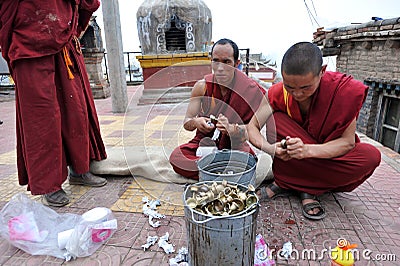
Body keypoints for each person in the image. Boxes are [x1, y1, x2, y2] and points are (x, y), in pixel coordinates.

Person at [247, 42, 381, 220]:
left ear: (322, 71)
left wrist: (307, 150)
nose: (297, 94)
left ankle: (294, 185)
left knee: (371, 156)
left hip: (325, 154)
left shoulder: (341, 92)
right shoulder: (278, 92)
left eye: (305, 87)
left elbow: (347, 142)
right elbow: (252, 127)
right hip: (293, 160)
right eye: (290, 87)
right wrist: (271, 149)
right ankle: (299, 186)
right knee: (277, 120)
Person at [0, 0, 108, 207]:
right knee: (42, 121)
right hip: (28, 46)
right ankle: (49, 185)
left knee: (76, 112)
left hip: (64, 45)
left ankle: (80, 168)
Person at [169, 38, 266, 180]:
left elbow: (254, 130)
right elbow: (187, 123)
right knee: (177, 157)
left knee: (247, 160)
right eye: (216, 61)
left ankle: (210, 171)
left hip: (234, 144)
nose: (220, 68)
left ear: (236, 64)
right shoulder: (202, 86)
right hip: (205, 144)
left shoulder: (249, 89)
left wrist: (233, 128)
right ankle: (225, 172)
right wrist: (196, 122)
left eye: (226, 62)